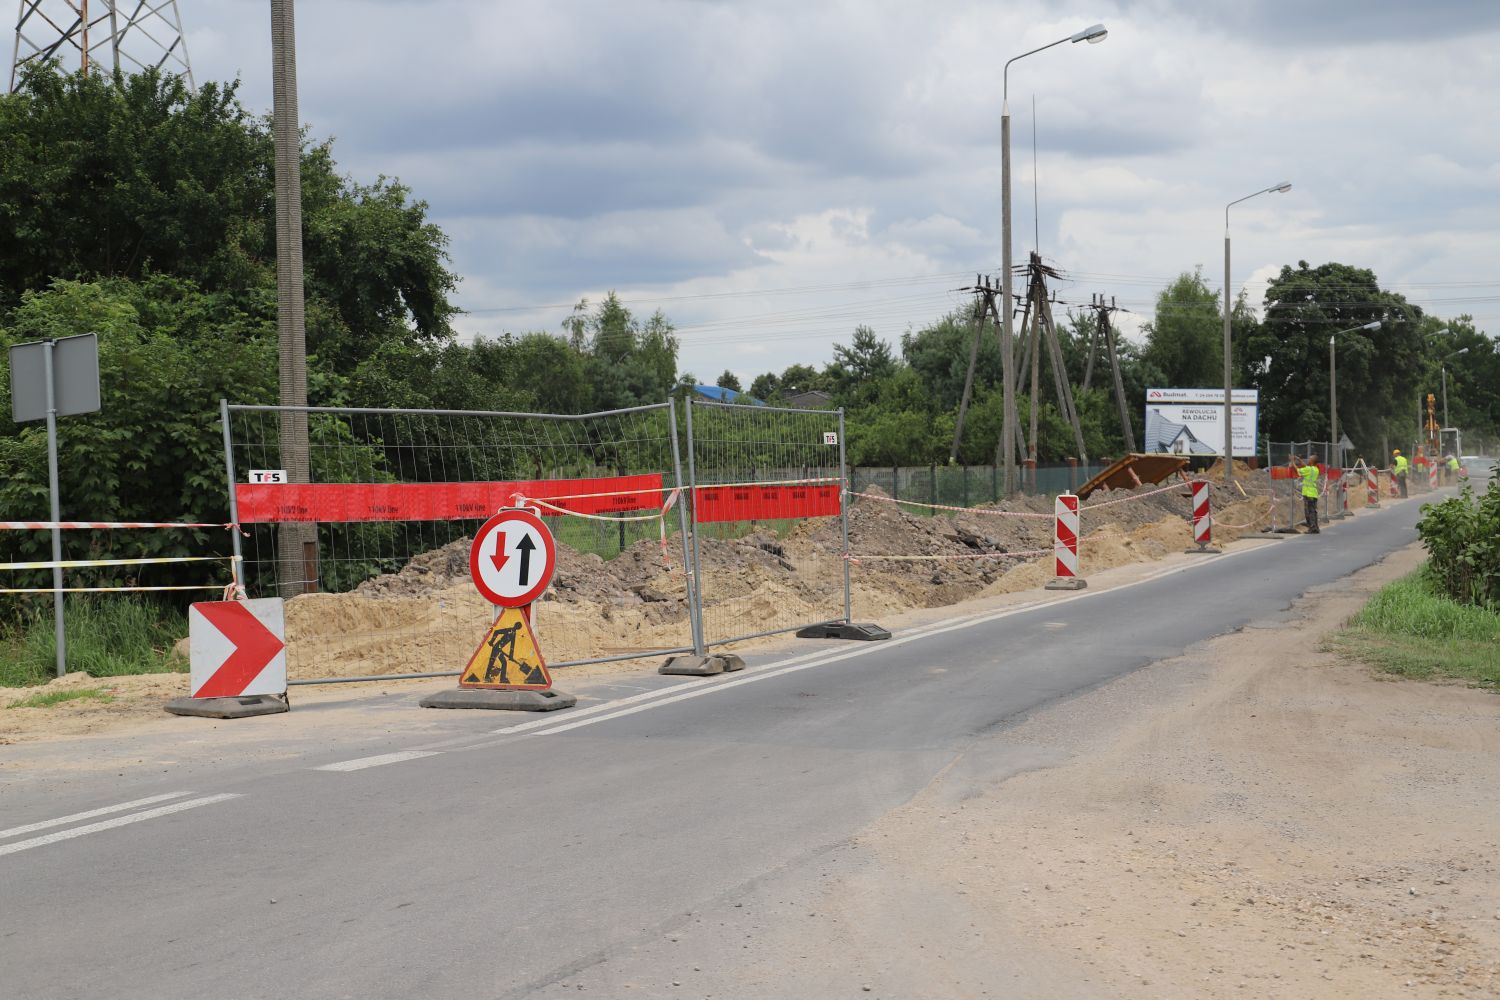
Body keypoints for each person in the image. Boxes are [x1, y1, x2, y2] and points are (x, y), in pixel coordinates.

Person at [1290, 455, 1321, 533]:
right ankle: (1316, 527)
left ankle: (1312, 528)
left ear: (1312, 461)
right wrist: (1299, 459)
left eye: (1310, 459)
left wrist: (1292, 461)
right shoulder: (1315, 469)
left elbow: (1298, 470)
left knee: (1309, 512)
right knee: (1313, 511)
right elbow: (1306, 466)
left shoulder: (1309, 469)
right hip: (1313, 493)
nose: (1308, 460)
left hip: (1308, 493)